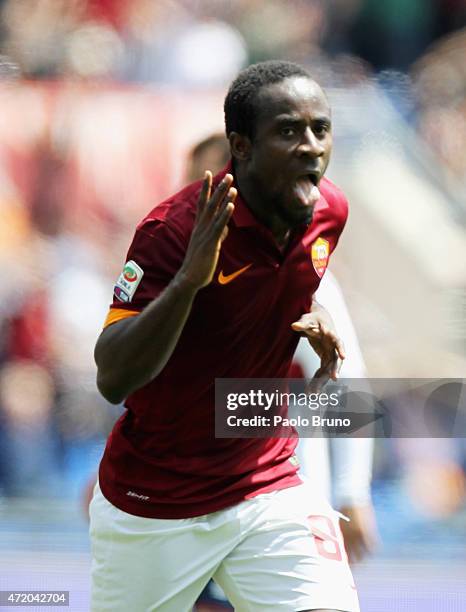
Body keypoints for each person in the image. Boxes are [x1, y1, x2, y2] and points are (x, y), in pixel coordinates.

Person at [90, 60, 359, 612]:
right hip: (157, 501)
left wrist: (316, 317)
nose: (311, 146)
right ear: (241, 145)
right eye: (289, 130)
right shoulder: (172, 233)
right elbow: (112, 377)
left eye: (320, 129)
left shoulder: (329, 211)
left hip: (269, 484)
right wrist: (190, 281)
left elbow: (277, 280)